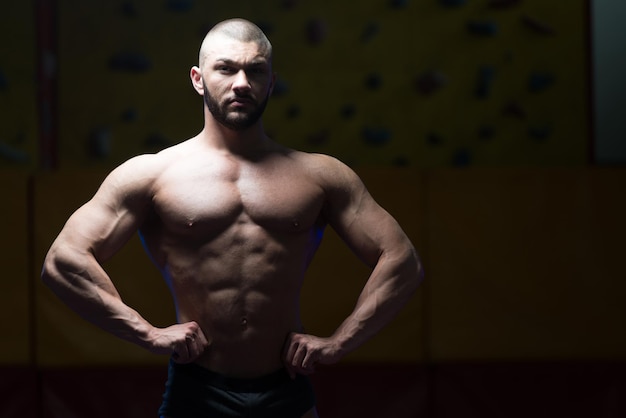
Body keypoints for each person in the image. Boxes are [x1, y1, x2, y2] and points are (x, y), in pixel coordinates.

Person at [41, 18, 423, 418]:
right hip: (197, 390)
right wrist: (146, 332)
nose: (241, 82)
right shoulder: (152, 174)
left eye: (255, 70)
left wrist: (339, 342)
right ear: (198, 78)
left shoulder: (321, 176)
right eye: (226, 68)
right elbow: (64, 262)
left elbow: (402, 261)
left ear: (271, 82)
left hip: (287, 390)